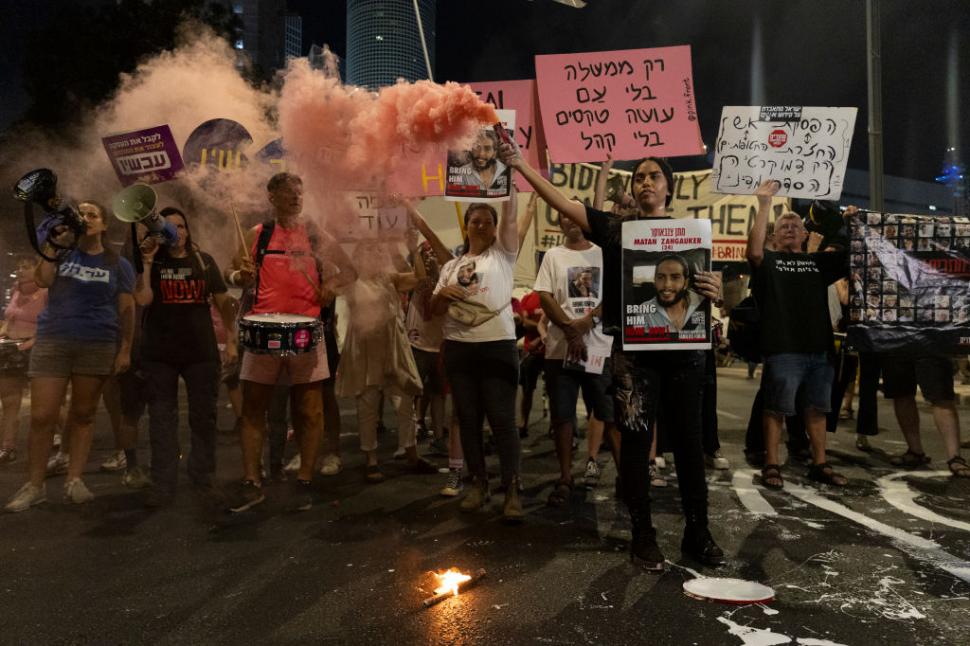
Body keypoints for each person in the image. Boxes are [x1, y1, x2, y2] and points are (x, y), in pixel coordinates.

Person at [498, 142, 724, 569]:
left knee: (690, 446)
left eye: (653, 176)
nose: (644, 183)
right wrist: (519, 164)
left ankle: (699, 533)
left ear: (669, 190)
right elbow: (561, 200)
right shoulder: (616, 229)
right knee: (636, 444)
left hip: (684, 356)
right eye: (637, 177)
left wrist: (712, 288)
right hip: (635, 359)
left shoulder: (692, 237)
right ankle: (643, 535)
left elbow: (703, 294)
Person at [225, 172, 356, 512]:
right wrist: (240, 276)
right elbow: (230, 273)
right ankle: (251, 480)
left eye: (299, 191)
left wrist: (332, 286)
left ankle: (305, 481)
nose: (295, 197)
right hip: (263, 330)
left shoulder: (315, 234)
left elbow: (349, 271)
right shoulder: (258, 234)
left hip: (306, 331)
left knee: (310, 409)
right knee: (254, 408)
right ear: (272, 197)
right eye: (287, 192)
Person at [5, 200, 135, 512]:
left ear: (104, 225)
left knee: (83, 413)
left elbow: (127, 309)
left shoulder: (118, 263)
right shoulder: (61, 252)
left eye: (93, 214)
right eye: (81, 214)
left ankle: (74, 479)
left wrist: (126, 348)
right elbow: (44, 280)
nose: (86, 218)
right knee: (41, 416)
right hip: (54, 339)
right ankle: (34, 485)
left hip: (97, 341)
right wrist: (55, 246)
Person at [746, 181, 850, 490]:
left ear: (805, 235)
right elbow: (753, 252)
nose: (790, 227)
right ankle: (772, 464)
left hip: (819, 350)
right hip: (783, 350)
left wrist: (847, 222)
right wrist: (765, 205)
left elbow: (849, 254)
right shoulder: (770, 262)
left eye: (795, 224)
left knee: (817, 409)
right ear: (774, 236)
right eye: (784, 225)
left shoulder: (818, 262)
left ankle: (820, 463)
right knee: (776, 409)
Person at [134, 207, 238, 506]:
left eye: (182, 227)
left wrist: (231, 341)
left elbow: (222, 302)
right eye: (170, 227)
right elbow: (143, 299)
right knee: (161, 420)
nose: (176, 232)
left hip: (200, 351)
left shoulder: (204, 261)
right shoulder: (152, 260)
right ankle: (163, 483)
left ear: (188, 230)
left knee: (204, 418)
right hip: (159, 353)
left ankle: (203, 475)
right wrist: (148, 261)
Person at [431, 195, 523, 522]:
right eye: (475, 221)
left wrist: (510, 178)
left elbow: (512, 215)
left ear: (497, 229)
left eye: (487, 221)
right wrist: (442, 294)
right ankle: (479, 484)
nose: (481, 226)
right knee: (468, 419)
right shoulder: (450, 267)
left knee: (501, 421)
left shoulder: (503, 255)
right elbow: (434, 312)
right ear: (466, 226)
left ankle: (512, 488)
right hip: (458, 348)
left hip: (497, 346)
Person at [336, 238, 437, 482]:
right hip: (365, 346)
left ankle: (411, 453)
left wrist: (414, 250)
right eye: (369, 250)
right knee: (367, 405)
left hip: (393, 345)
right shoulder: (352, 281)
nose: (376, 254)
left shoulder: (390, 279)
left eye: (379, 250)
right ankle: (371, 459)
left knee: (405, 403)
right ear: (359, 257)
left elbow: (420, 278)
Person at [534, 212, 618, 506]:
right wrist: (570, 330)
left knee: (609, 415)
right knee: (562, 417)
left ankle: (626, 481)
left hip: (599, 349)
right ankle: (565, 477)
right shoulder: (553, 256)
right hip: (560, 350)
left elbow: (617, 293)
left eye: (574, 216)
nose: (570, 222)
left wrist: (588, 321)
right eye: (563, 217)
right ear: (559, 223)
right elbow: (545, 296)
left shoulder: (605, 253)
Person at [883, 357, 969, 477]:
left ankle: (955, 457)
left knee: (941, 395)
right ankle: (915, 451)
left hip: (931, 342)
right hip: (895, 343)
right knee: (901, 394)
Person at [0, 255, 48, 465]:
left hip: (36, 348)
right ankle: (7, 447)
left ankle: (63, 437)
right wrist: (3, 334)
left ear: (37, 269)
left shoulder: (47, 292)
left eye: (26, 267)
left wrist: (34, 340)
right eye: (18, 267)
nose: (20, 271)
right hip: (12, 349)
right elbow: (10, 317)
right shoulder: (15, 289)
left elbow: (52, 322)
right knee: (9, 401)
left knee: (44, 403)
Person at [641, 255, 706, 334]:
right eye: (661, 277)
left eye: (675, 277)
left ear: (686, 283)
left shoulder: (699, 305)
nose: (667, 285)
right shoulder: (643, 311)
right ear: (655, 282)